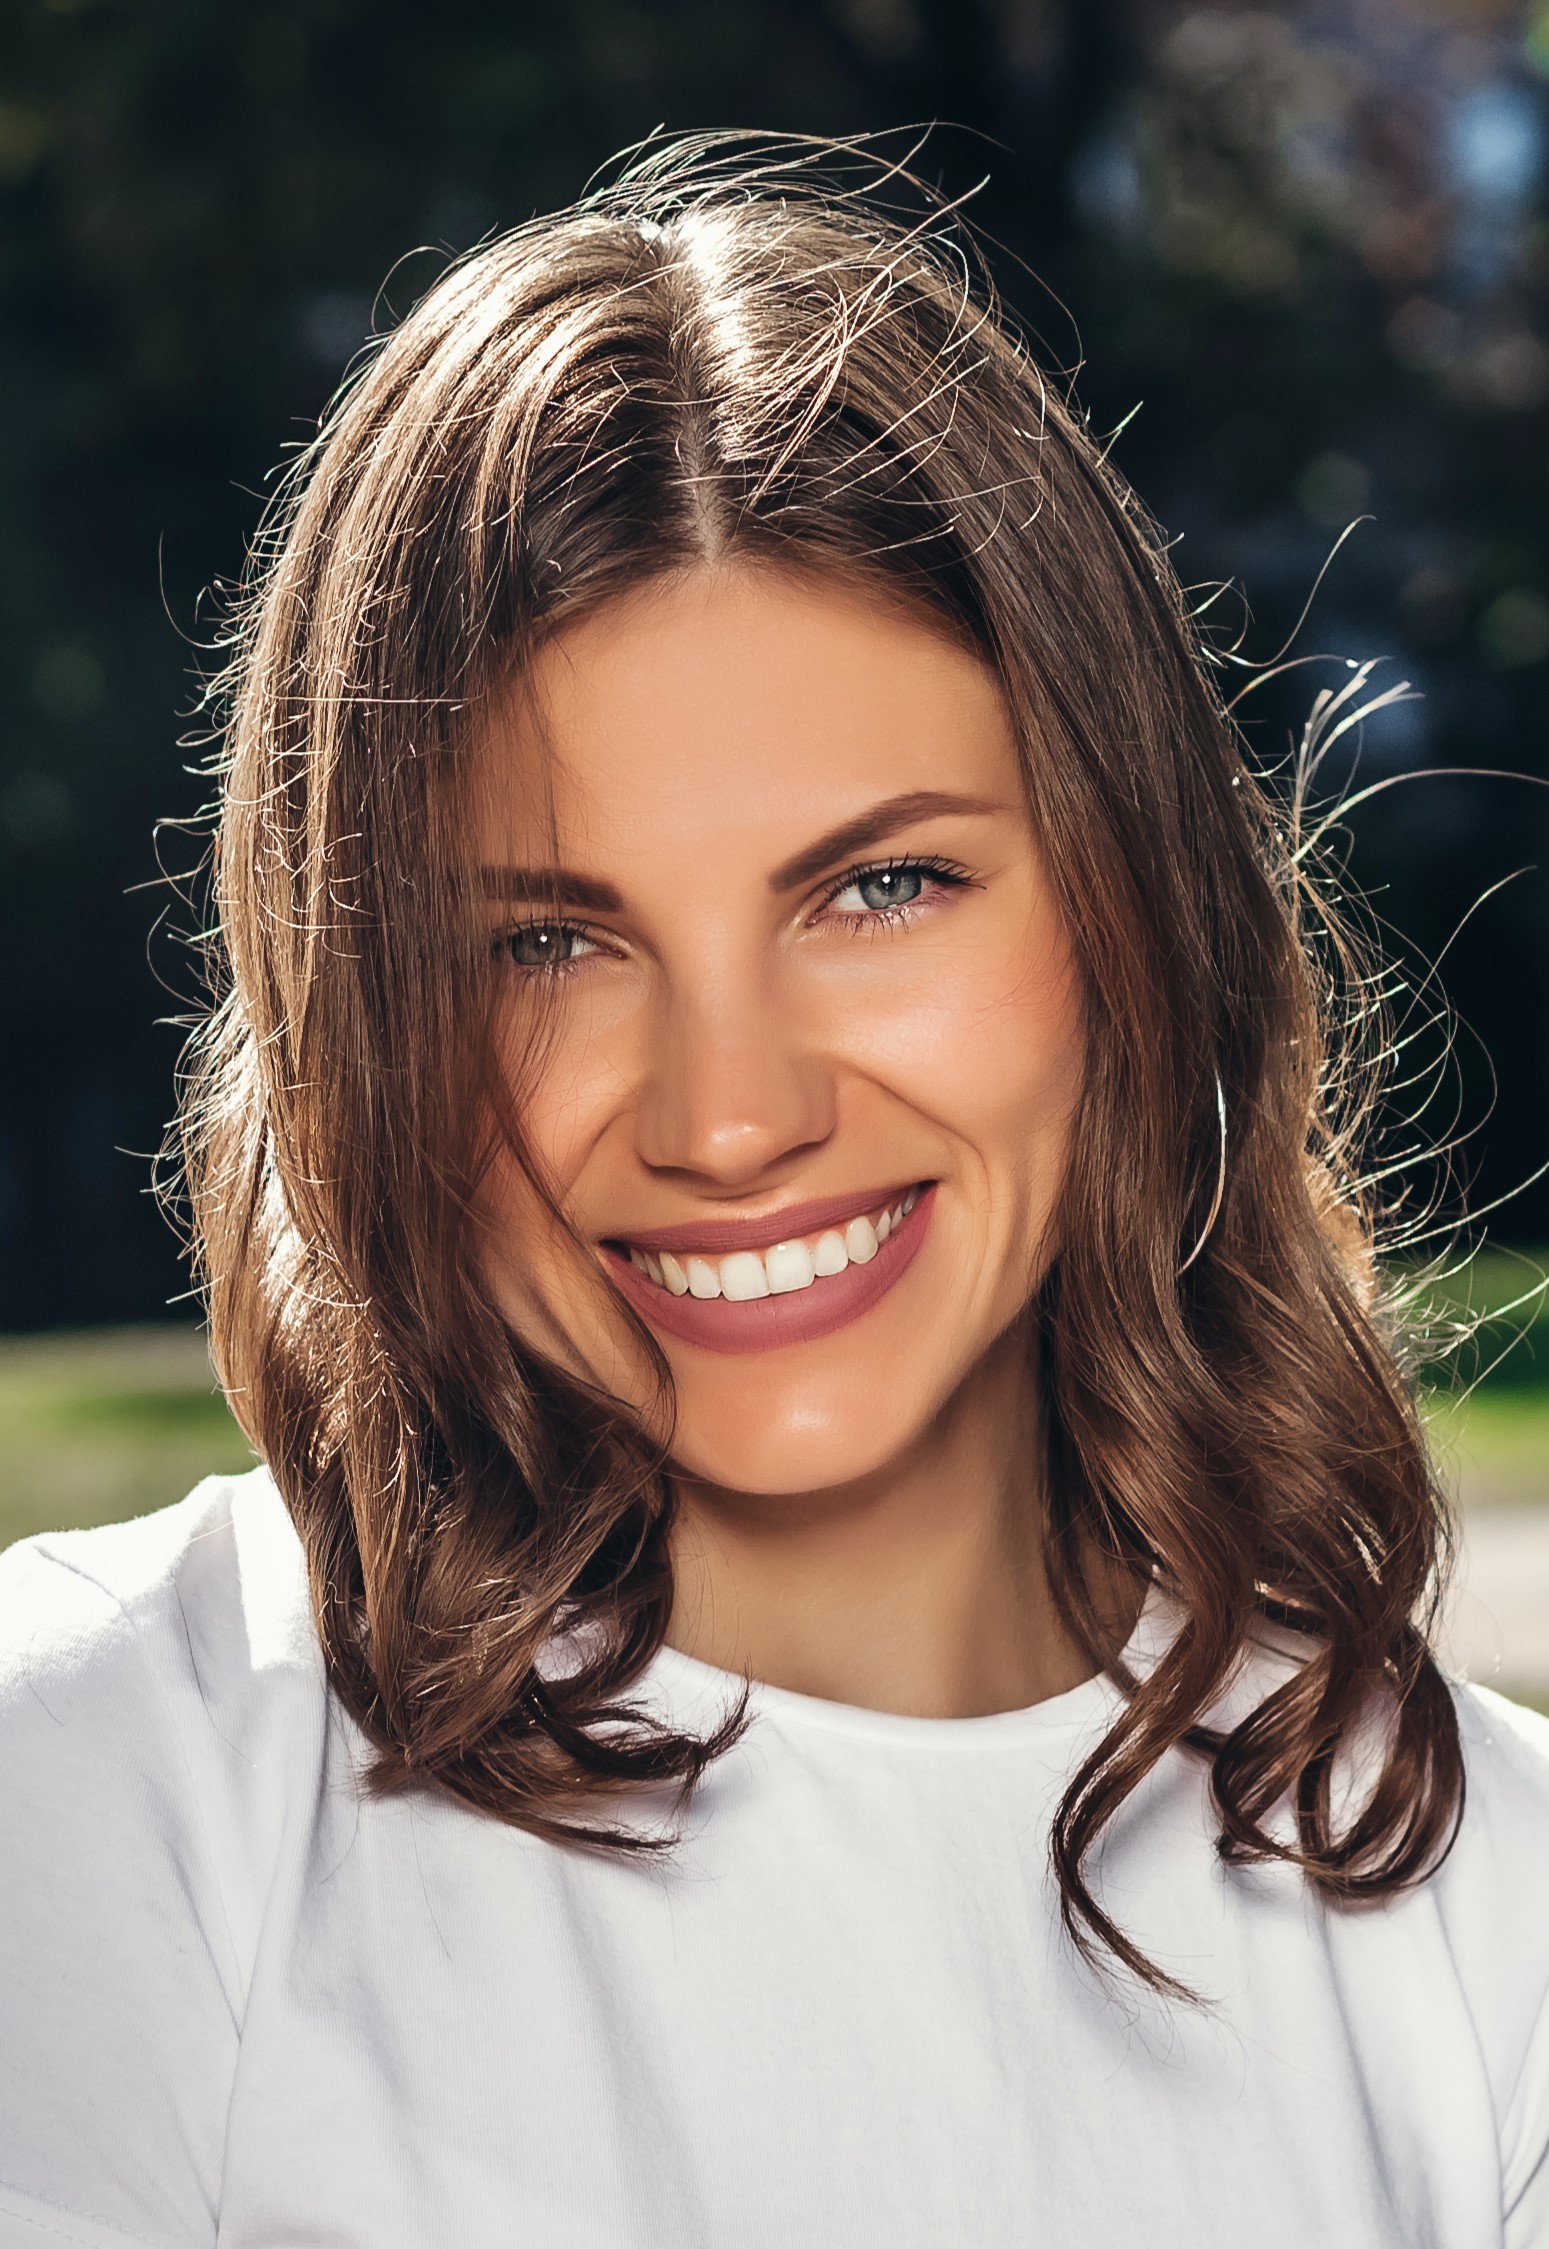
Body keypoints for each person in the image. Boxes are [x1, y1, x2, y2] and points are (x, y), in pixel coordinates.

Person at [1, 134, 1546, 2249]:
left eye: (879, 888)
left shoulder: (1492, 1918)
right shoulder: (101, 1785)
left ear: (1133, 916)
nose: (728, 1119)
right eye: (541, 942)